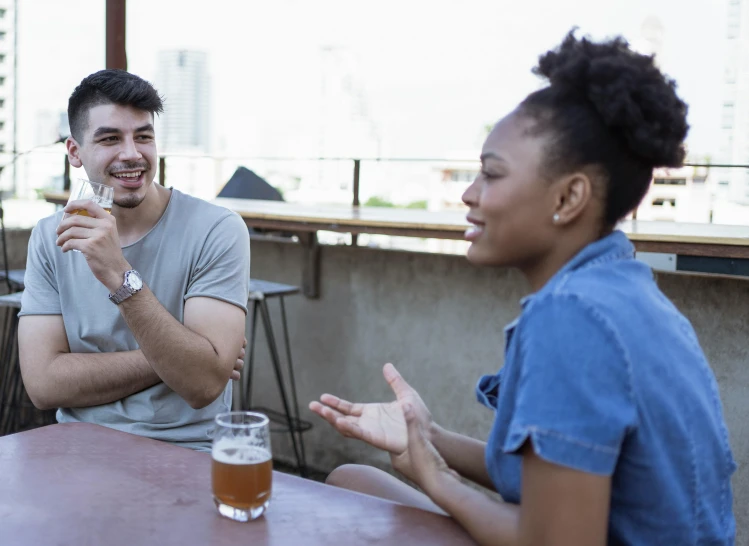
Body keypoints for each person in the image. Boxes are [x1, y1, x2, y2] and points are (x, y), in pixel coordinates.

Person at [310, 31, 736, 545]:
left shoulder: (571, 319)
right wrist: (428, 439)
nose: (469, 194)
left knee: (347, 503)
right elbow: (562, 479)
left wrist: (437, 479)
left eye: (491, 174)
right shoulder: (625, 290)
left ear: (569, 196)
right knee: (352, 480)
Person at [18, 69, 251, 453]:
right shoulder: (49, 237)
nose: (132, 153)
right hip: (76, 449)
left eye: (143, 136)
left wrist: (119, 275)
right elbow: (43, 385)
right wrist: (172, 357)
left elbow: (202, 386)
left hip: (186, 452)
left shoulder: (217, 229)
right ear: (75, 152)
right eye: (110, 138)